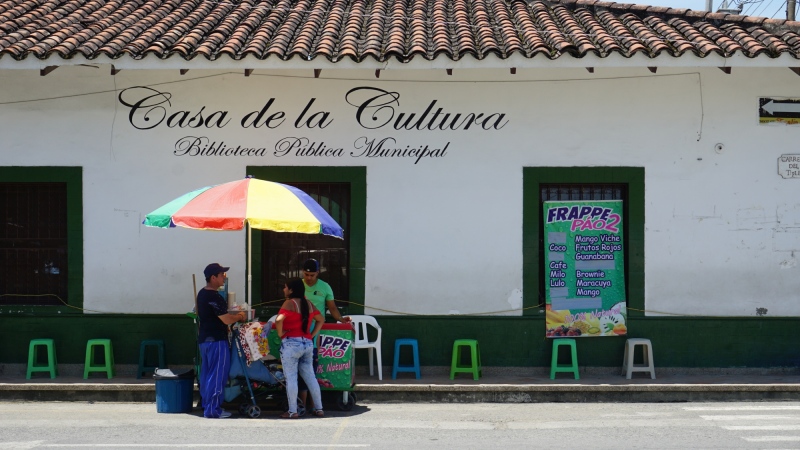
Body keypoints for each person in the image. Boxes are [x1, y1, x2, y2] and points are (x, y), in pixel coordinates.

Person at [297, 258, 351, 406]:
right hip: (297, 331)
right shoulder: (297, 286)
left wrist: (340, 319)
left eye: (312, 275)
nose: (308, 278)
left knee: (311, 367)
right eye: (306, 275)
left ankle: (315, 405)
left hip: (314, 332)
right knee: (298, 368)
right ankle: (301, 404)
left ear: (318, 274)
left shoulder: (325, 287)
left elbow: (332, 308)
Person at [197, 263, 247, 419]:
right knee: (217, 374)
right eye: (221, 275)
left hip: (205, 339)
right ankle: (213, 409)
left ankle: (208, 405)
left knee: (207, 374)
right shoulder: (214, 297)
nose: (224, 278)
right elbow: (226, 319)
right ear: (213, 277)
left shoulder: (201, 294)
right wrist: (240, 316)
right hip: (216, 341)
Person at [275, 278, 325, 418]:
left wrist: (280, 333)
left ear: (291, 290)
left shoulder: (289, 303)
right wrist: (312, 335)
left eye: (285, 287)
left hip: (291, 344)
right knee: (311, 378)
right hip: (307, 344)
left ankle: (292, 411)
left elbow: (278, 320)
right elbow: (321, 319)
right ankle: (319, 408)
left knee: (291, 378)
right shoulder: (308, 303)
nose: (284, 290)